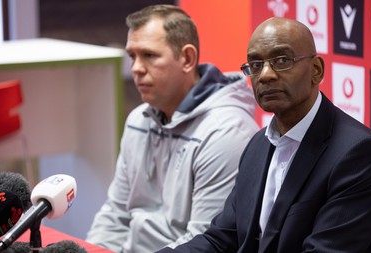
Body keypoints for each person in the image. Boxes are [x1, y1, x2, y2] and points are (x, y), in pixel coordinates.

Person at [156, 17, 371, 253]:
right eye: (256, 64)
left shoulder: (359, 155)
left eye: (282, 60)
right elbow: (222, 239)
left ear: (316, 70)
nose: (265, 75)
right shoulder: (257, 145)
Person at [85, 4, 259, 253]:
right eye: (132, 56)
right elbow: (116, 214)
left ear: (187, 59)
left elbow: (206, 242)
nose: (136, 68)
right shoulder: (138, 120)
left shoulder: (227, 133)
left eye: (149, 55)